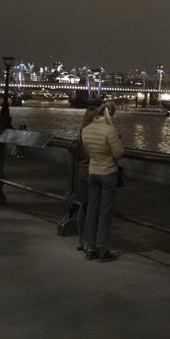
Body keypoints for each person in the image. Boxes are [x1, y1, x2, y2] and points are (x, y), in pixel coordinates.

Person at [80, 103, 123, 262]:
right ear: (109, 115)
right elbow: (118, 153)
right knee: (105, 212)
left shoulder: (86, 129)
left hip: (93, 173)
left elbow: (86, 151)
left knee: (92, 210)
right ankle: (101, 247)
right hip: (108, 173)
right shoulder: (109, 130)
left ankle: (89, 246)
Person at [74, 106, 101, 252]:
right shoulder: (97, 134)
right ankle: (91, 241)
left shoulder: (81, 133)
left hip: (82, 173)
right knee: (93, 208)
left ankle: (80, 239)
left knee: (83, 207)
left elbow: (78, 154)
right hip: (95, 172)